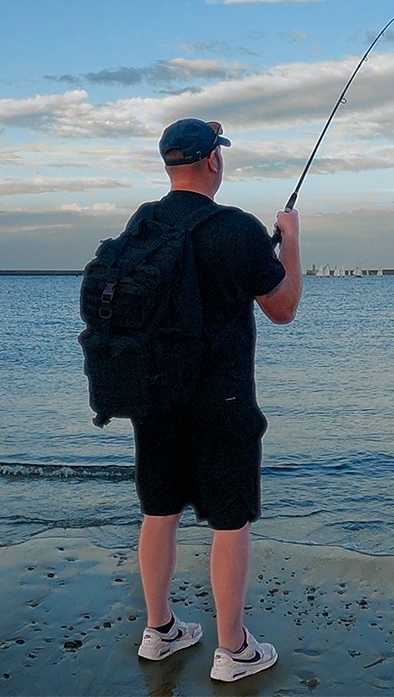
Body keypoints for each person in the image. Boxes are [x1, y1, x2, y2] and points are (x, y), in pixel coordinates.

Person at [129, 118, 302, 682]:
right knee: (230, 522)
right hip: (221, 400)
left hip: (153, 396)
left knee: (159, 511)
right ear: (212, 162)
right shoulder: (237, 229)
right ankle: (234, 650)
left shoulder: (143, 223)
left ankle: (160, 632)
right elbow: (282, 308)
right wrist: (291, 242)